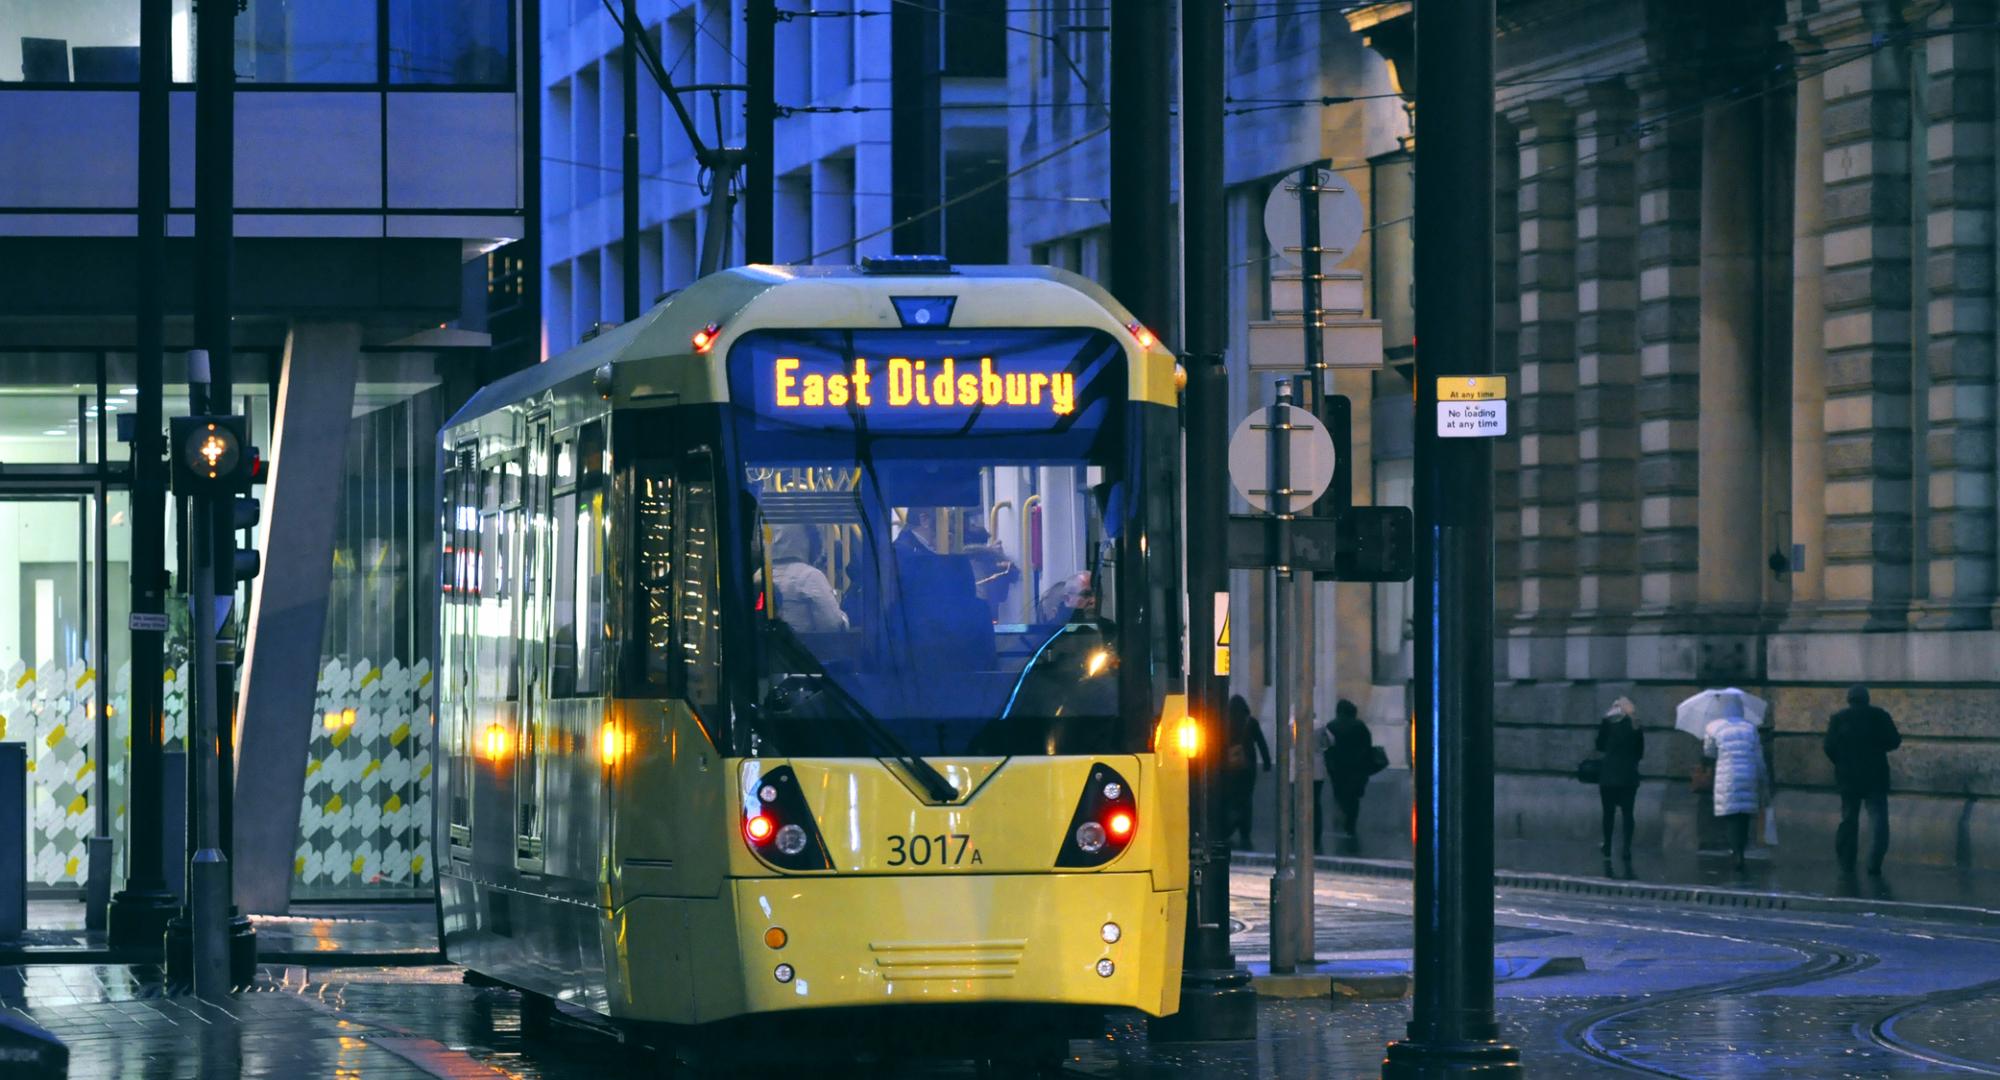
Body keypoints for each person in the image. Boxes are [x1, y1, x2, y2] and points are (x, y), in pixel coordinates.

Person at [1824, 684, 1902, 876]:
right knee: (1879, 822)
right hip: (1876, 776)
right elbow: (1894, 741)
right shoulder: (1879, 716)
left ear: (1849, 700)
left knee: (1849, 821)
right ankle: (1874, 863)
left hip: (1848, 778)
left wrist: (1841, 762)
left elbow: (1828, 747)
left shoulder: (1839, 719)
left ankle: (1847, 863)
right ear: (1867, 698)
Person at [1703, 693, 1765, 869]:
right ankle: (1742, 852)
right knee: (1744, 815)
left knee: (1731, 816)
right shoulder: (1750, 727)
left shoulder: (1713, 727)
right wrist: (1763, 778)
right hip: (1748, 774)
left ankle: (1735, 851)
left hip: (1727, 776)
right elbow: (1758, 756)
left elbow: (1709, 752)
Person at [765, 524, 846, 633]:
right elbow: (833, 624)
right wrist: (844, 619)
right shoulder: (809, 576)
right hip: (802, 647)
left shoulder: (761, 575)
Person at [1594, 697, 1645, 861]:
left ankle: (1607, 845)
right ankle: (1626, 849)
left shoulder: (1607, 722)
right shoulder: (1636, 725)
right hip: (1629, 775)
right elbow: (1640, 752)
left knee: (1608, 813)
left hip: (1608, 775)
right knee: (1628, 813)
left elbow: (1599, 745)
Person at [1322, 699, 1376, 842]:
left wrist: (1329, 765)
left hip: (1338, 767)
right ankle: (1350, 825)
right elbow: (1367, 746)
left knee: (1339, 793)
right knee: (1353, 798)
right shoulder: (1360, 726)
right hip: (1356, 767)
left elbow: (1326, 748)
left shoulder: (1331, 726)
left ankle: (1342, 817)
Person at [1223, 695, 1271, 848]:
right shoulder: (1251, 722)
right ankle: (1245, 832)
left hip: (1230, 767)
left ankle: (1229, 827)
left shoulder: (1225, 722)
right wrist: (1267, 763)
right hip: (1248, 768)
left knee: (1230, 799)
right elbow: (1261, 743)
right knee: (1246, 799)